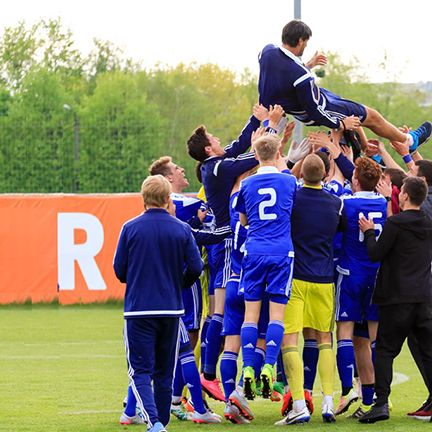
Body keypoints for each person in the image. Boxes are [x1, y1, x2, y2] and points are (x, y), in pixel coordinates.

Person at [187, 104, 279, 400]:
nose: (217, 139)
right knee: (221, 311)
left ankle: (215, 376)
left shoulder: (214, 163)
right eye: (213, 138)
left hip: (223, 243)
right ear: (208, 149)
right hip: (228, 243)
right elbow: (256, 156)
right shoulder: (218, 167)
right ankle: (210, 374)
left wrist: (257, 117)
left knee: (223, 310)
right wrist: (271, 127)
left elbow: (240, 145)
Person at [113, 175, 204, 432]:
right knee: (165, 372)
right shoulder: (181, 229)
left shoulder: (130, 228)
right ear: (167, 199)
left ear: (143, 199)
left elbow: (119, 270)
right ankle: (161, 422)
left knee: (140, 370)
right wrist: (179, 284)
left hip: (139, 309)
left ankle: (154, 424)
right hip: (171, 309)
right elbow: (196, 267)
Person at [258, 20, 431, 151]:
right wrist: (341, 124)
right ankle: (409, 140)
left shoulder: (267, 51)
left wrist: (308, 65)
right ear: (301, 41)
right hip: (321, 107)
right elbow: (315, 112)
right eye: (307, 43)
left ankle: (363, 145)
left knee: (356, 110)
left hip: (316, 96)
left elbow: (283, 76)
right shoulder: (302, 76)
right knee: (372, 117)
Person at [359, 176, 432, 423]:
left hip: (396, 297)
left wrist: (369, 232)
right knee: (428, 352)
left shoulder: (396, 223)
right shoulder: (428, 222)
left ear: (404, 196)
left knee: (385, 351)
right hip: (424, 297)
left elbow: (375, 254)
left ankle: (381, 404)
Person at [276, 154, 342, 425]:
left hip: (296, 277)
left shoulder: (293, 199)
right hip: (324, 278)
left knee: (289, 340)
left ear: (301, 174)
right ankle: (328, 401)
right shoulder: (336, 203)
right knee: (325, 338)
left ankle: (300, 405)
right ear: (326, 175)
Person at [235, 134, 297, 401]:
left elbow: (244, 221)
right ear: (279, 151)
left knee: (250, 314)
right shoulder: (289, 181)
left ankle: (248, 367)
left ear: (255, 154)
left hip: (255, 250)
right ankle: (270, 366)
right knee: (276, 316)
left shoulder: (246, 184)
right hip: (282, 251)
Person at [334, 157, 387, 417]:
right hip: (377, 276)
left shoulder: (345, 203)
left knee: (344, 334)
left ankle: (347, 391)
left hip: (351, 274)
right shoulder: (385, 203)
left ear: (355, 180)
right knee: (370, 340)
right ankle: (377, 399)